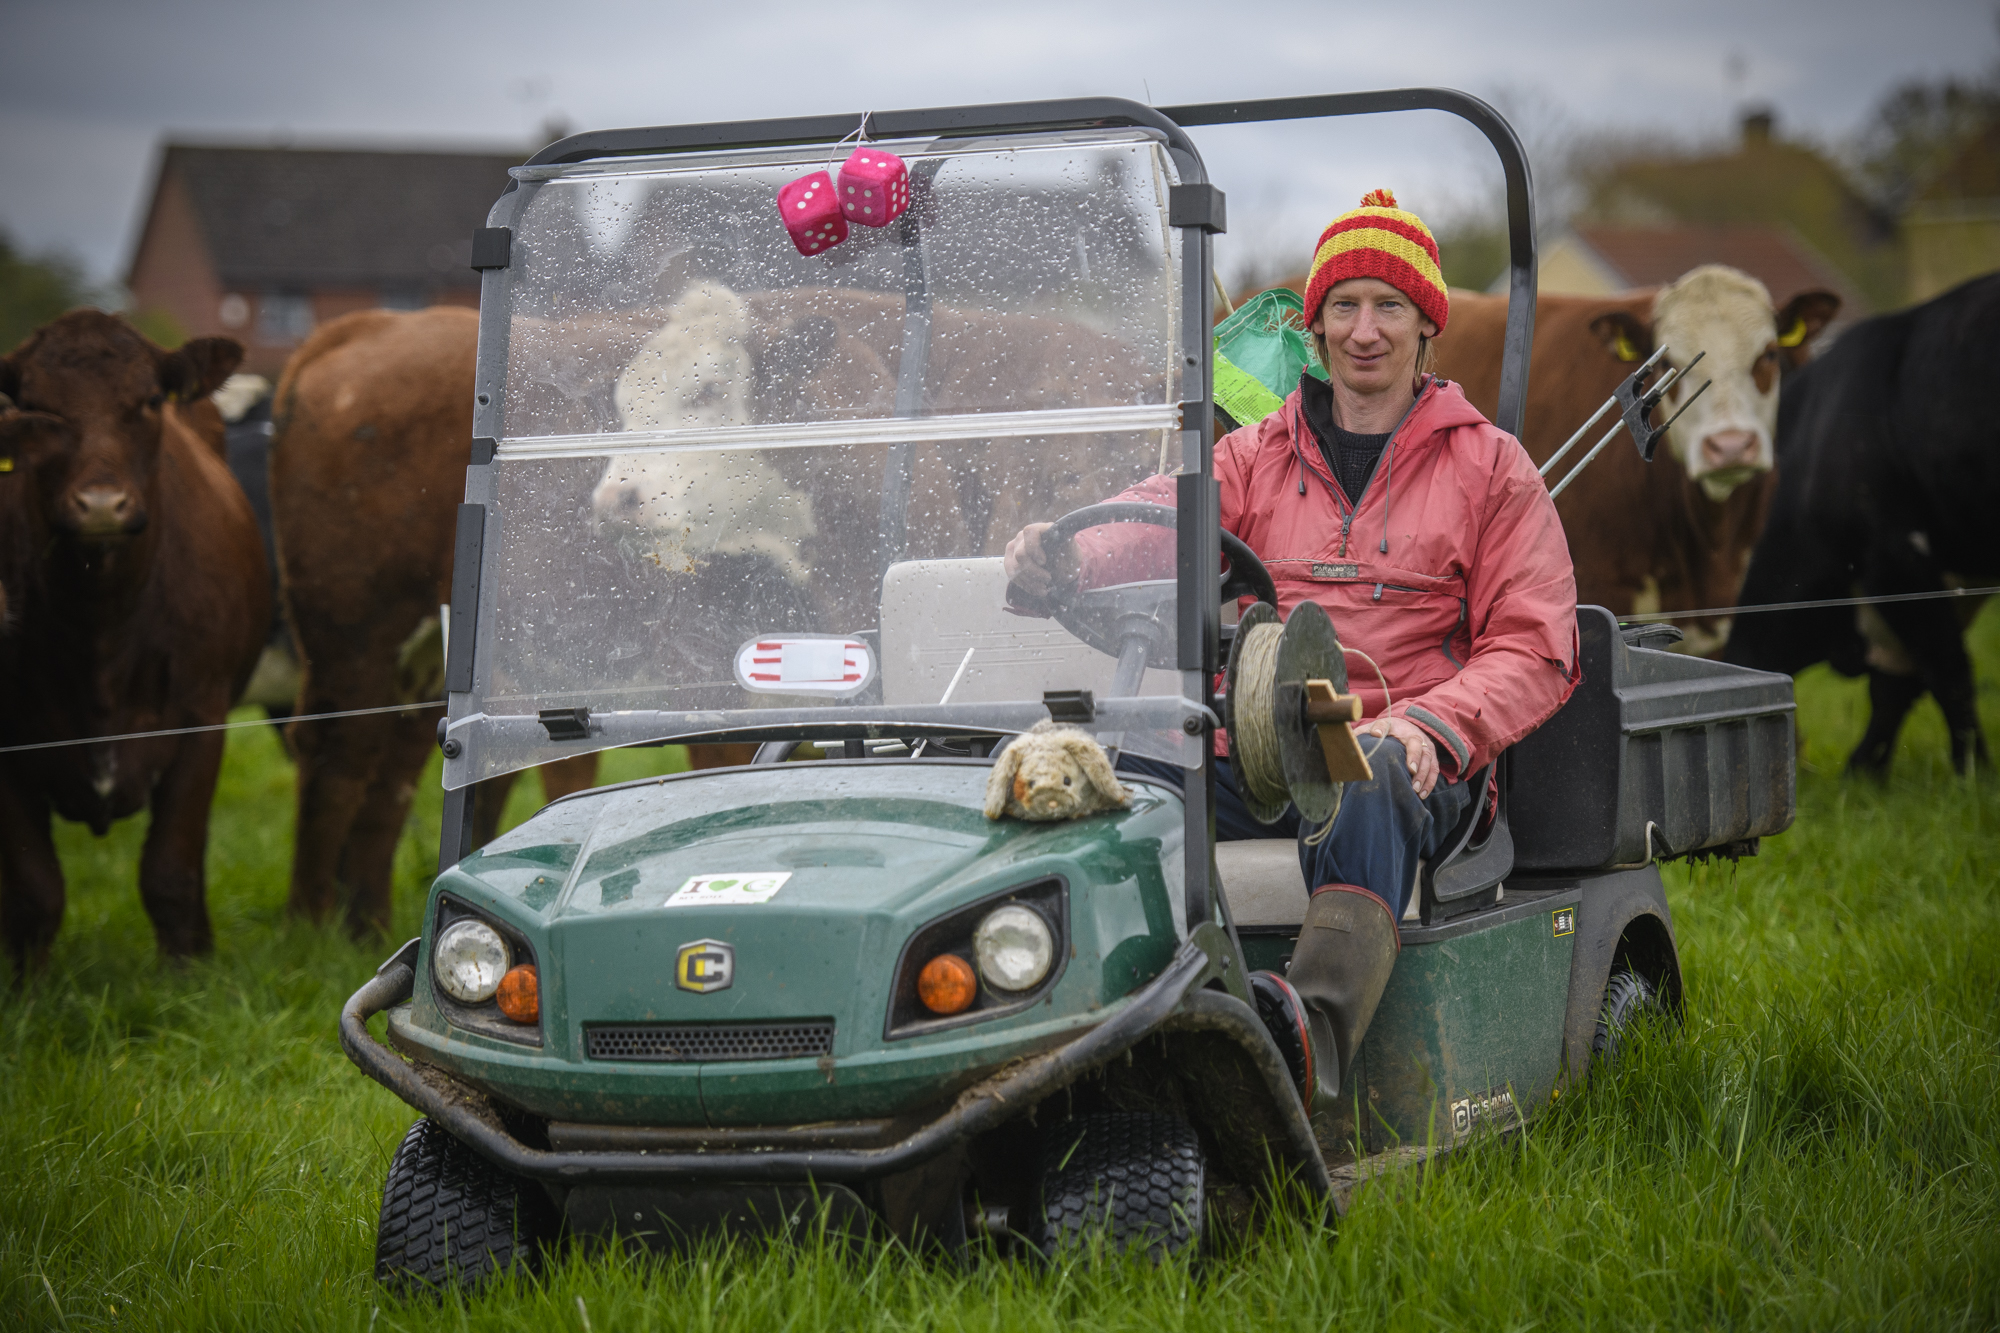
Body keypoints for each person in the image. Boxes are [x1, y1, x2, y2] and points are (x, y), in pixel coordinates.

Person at [1004, 190, 1579, 1097]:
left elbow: (1537, 646)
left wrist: (1431, 726)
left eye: (1389, 305)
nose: (1364, 330)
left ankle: (1307, 1039)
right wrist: (1063, 555)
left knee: (1366, 776)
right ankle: (1062, 1014)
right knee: (1108, 767)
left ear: (1428, 322)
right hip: (1259, 753)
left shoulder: (1492, 467)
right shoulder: (1252, 455)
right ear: (1312, 326)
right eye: (1342, 306)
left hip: (1403, 764)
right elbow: (1160, 519)